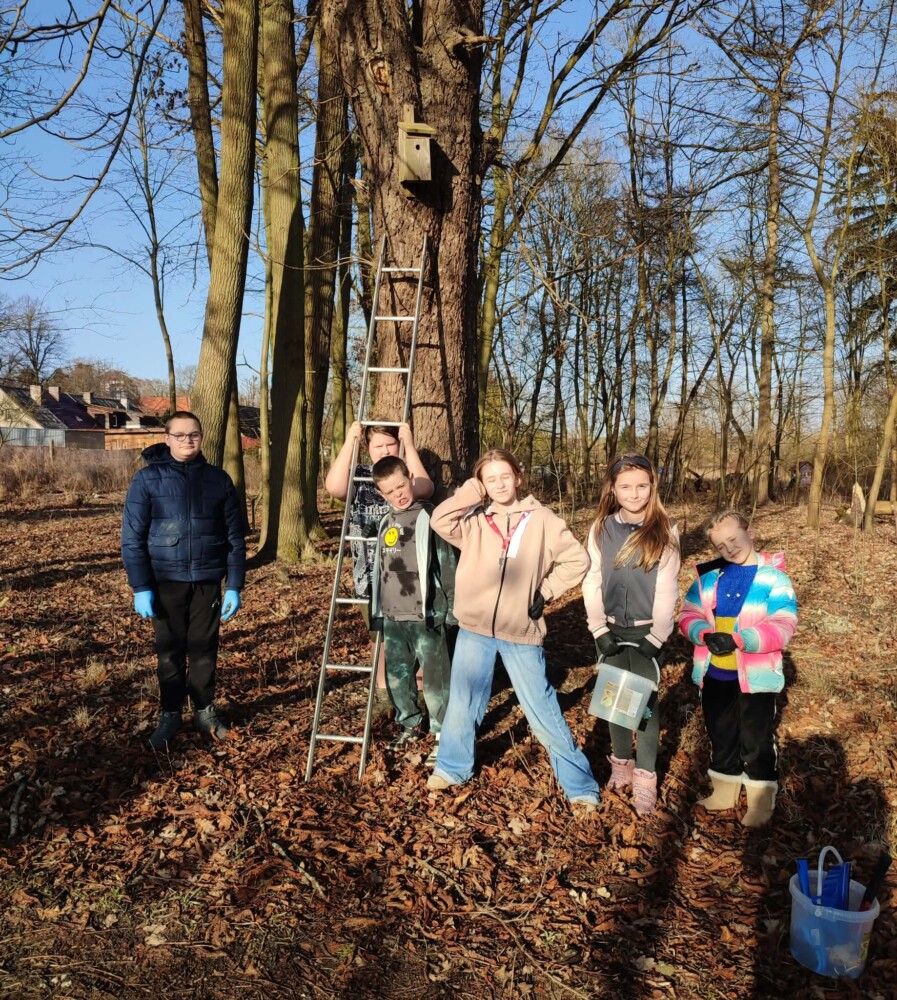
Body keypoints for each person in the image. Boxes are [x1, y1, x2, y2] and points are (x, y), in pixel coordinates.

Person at [426, 449, 600, 810]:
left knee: (543, 707)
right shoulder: (473, 519)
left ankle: (580, 786)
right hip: (475, 628)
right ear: (482, 484)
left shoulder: (543, 519)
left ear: (518, 477)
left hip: (520, 630)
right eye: (490, 479)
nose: (499, 484)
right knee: (463, 701)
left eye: (505, 476)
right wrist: (470, 493)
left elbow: (578, 560)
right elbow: (439, 520)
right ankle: (452, 767)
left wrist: (546, 591)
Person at [121, 411, 246, 750]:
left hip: (207, 579)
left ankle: (204, 711)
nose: (187, 440)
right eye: (179, 435)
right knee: (169, 652)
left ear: (202, 436)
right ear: (167, 438)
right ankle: (170, 714)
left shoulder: (219, 480)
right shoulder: (147, 480)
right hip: (165, 581)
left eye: (193, 434)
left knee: (205, 649)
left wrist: (234, 584)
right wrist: (141, 587)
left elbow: (235, 538)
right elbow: (132, 538)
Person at [678, 509, 797, 827]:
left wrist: (742, 639)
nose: (729, 549)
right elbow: (687, 614)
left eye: (734, 539)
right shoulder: (709, 578)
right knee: (721, 732)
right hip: (715, 673)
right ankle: (724, 789)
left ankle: (760, 799)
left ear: (751, 532)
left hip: (755, 677)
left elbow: (784, 624)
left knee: (755, 737)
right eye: (721, 545)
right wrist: (702, 633)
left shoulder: (774, 578)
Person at [582, 454, 681, 816]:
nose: (634, 493)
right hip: (609, 629)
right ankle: (620, 764)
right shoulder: (601, 528)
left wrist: (657, 636)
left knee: (646, 707)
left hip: (645, 632)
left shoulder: (665, 529)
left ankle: (645, 775)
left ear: (652, 487)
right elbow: (592, 578)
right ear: (613, 488)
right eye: (625, 486)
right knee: (614, 701)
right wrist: (597, 627)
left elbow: (667, 588)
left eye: (641, 485)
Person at [324, 422, 434, 704]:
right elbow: (334, 487)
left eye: (390, 444)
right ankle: (386, 696)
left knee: (415, 637)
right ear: (367, 449)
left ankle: (418, 695)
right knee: (383, 640)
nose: (385, 450)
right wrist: (351, 439)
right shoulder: (360, 476)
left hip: (407, 577)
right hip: (369, 578)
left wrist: (409, 445)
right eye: (378, 446)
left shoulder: (403, 476)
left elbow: (425, 488)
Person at [369, 455, 454, 764]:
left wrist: (451, 609)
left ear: (410, 480)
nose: (399, 494)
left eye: (402, 486)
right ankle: (409, 724)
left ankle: (442, 734)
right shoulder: (385, 522)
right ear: (382, 494)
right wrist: (377, 611)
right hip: (393, 616)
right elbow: (379, 570)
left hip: (427, 615)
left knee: (435, 680)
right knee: (397, 676)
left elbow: (447, 564)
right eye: (390, 491)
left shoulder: (429, 517)